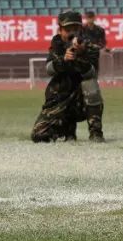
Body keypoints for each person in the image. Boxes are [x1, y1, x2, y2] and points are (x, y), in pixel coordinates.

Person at [31, 11, 104, 143]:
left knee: (90, 84)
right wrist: (64, 60)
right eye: (67, 29)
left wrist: (81, 56)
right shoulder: (57, 44)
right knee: (39, 135)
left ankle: (96, 133)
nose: (71, 33)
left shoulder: (90, 47)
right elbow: (49, 69)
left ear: (81, 29)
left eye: (75, 29)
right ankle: (67, 131)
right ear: (60, 30)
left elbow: (91, 73)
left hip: (81, 98)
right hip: (60, 97)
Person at [81, 10, 109, 142]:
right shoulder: (81, 29)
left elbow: (103, 43)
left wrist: (97, 47)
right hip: (82, 59)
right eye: (88, 18)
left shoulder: (99, 30)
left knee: (93, 82)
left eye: (91, 17)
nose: (89, 20)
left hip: (93, 59)